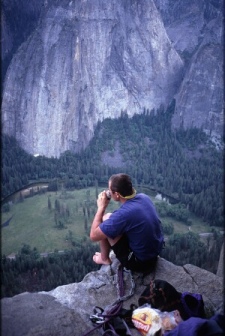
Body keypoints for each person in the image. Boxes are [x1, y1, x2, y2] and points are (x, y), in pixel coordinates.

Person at [90, 173, 164, 274]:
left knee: (105, 220)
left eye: (110, 190)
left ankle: (104, 258)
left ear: (117, 195)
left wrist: (101, 207)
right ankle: (105, 256)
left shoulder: (124, 215)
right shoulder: (144, 197)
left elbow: (94, 236)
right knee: (109, 218)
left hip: (140, 263)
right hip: (154, 254)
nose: (108, 192)